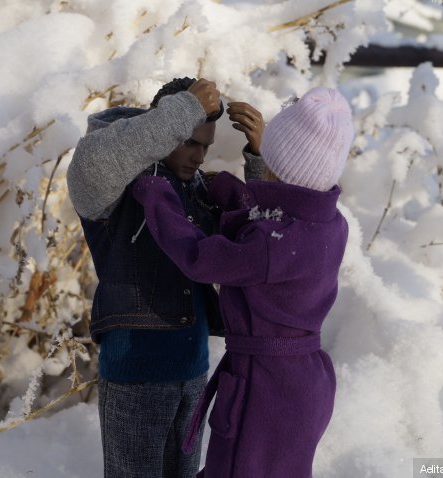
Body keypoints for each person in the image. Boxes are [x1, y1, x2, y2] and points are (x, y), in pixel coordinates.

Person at [131, 87, 354, 477]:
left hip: (264, 388)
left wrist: (158, 200)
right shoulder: (331, 224)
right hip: (306, 382)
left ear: (277, 164)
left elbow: (200, 258)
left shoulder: (271, 244)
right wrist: (236, 196)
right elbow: (275, 232)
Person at [66, 77, 265, 477]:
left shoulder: (198, 191)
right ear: (165, 122)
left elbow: (259, 238)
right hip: (134, 379)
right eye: (189, 141)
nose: (198, 156)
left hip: (193, 377)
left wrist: (259, 158)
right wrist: (182, 111)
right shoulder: (119, 191)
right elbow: (90, 166)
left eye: (205, 147)